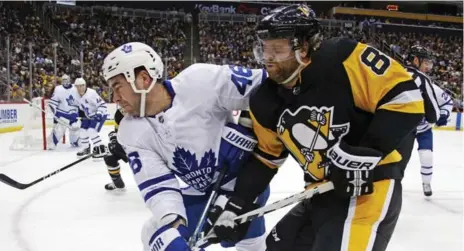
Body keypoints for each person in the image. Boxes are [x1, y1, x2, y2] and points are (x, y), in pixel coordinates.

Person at [207, 4, 424, 251]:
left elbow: (406, 98)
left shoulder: (342, 58)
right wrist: (237, 205)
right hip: (321, 192)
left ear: (304, 48)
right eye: (264, 49)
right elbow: (266, 159)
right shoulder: (264, 100)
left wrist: (368, 150)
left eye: (277, 49)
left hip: (368, 189)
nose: (268, 58)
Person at [101, 42, 269, 251]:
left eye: (117, 87)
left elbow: (268, 85)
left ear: (143, 79)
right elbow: (159, 187)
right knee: (157, 234)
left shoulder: (200, 81)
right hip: (202, 193)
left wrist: (251, 124)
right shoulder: (130, 130)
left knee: (251, 244)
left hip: (245, 188)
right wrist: (175, 225)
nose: (115, 98)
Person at [405, 45, 454, 196]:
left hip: (423, 128)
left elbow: (447, 101)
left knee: (427, 155)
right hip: (404, 128)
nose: (428, 66)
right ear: (415, 60)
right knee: (396, 157)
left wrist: (444, 114)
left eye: (429, 63)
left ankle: (426, 183)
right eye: (425, 62)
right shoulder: (399, 79)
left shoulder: (427, 83)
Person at [74, 77, 109, 158]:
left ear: (85, 85)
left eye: (82, 85)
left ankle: (101, 148)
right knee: (82, 131)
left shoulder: (91, 93)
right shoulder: (75, 94)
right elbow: (80, 107)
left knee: (91, 131)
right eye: (78, 86)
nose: (80, 88)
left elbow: (102, 105)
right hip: (89, 115)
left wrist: (99, 114)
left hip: (100, 114)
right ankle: (86, 148)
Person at [47, 74, 81, 149]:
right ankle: (52, 142)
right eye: (63, 80)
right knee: (59, 129)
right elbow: (53, 102)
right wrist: (51, 112)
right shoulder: (58, 89)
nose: (65, 82)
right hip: (62, 114)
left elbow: (80, 100)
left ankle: (75, 141)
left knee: (75, 127)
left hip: (73, 114)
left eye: (66, 80)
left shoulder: (75, 88)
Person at [103, 107, 128, 191]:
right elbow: (118, 132)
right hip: (128, 144)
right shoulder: (119, 114)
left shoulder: (141, 113)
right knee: (108, 153)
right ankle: (117, 181)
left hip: (144, 146)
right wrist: (114, 140)